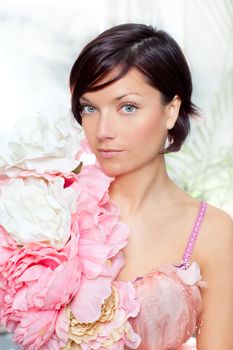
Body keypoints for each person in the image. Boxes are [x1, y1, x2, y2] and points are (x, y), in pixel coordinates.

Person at [69, 23, 233, 350]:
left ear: (171, 110)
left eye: (127, 107)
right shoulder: (53, 210)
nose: (103, 130)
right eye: (90, 108)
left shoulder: (212, 232)